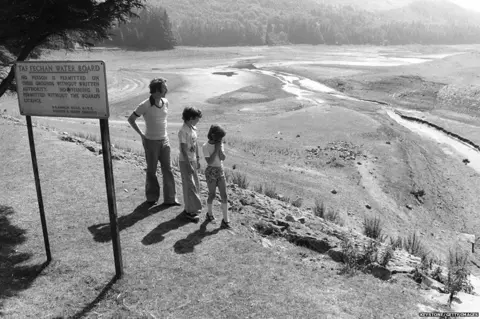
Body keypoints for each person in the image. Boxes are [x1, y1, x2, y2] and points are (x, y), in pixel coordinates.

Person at [128, 77, 180, 206]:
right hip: (151, 142)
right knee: (151, 170)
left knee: (167, 169)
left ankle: (170, 198)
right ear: (156, 90)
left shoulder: (165, 102)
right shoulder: (145, 105)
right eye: (164, 88)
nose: (166, 90)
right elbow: (131, 119)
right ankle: (152, 198)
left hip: (165, 140)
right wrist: (141, 135)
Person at [202, 125, 231, 229]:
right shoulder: (205, 146)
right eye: (220, 138)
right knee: (212, 194)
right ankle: (209, 214)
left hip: (220, 170)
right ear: (213, 136)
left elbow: (223, 158)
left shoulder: (220, 144)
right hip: (211, 171)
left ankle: (226, 220)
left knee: (224, 195)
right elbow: (209, 162)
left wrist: (220, 150)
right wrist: (215, 150)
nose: (221, 140)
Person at [178, 106, 203, 222]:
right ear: (190, 118)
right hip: (185, 161)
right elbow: (183, 149)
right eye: (197, 118)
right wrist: (188, 164)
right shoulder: (183, 131)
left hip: (192, 160)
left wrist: (197, 159)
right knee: (189, 186)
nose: (198, 121)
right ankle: (189, 211)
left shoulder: (193, 129)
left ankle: (192, 208)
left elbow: (195, 144)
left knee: (195, 184)